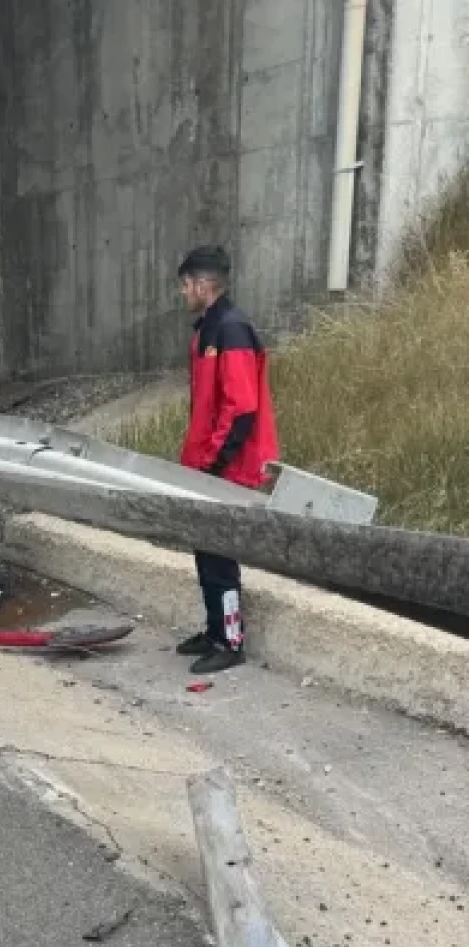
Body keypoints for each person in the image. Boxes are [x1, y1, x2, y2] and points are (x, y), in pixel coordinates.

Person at [174, 245, 279, 675]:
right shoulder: (209, 329)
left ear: (202, 283)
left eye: (185, 286)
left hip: (227, 468)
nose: (183, 294)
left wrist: (213, 467)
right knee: (207, 553)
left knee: (220, 558)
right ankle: (216, 628)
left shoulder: (230, 330)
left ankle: (230, 640)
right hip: (210, 463)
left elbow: (241, 409)